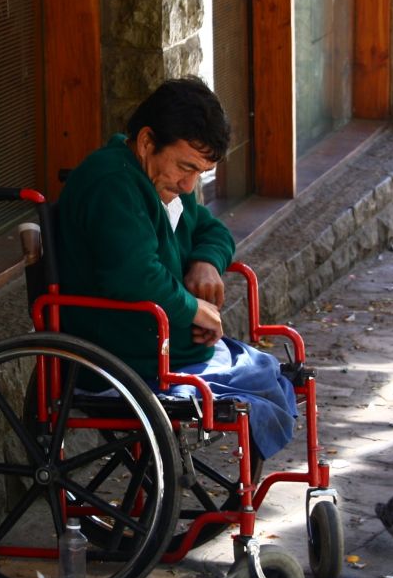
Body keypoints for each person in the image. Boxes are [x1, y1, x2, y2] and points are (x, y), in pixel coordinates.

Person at [56, 76, 297, 461]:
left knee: (269, 372)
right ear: (148, 141)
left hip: (167, 351)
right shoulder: (114, 184)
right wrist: (192, 308)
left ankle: (243, 485)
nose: (188, 185)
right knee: (261, 379)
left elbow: (211, 228)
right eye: (185, 167)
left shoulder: (158, 180)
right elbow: (134, 276)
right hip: (127, 359)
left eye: (199, 172)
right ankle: (243, 492)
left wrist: (206, 262)